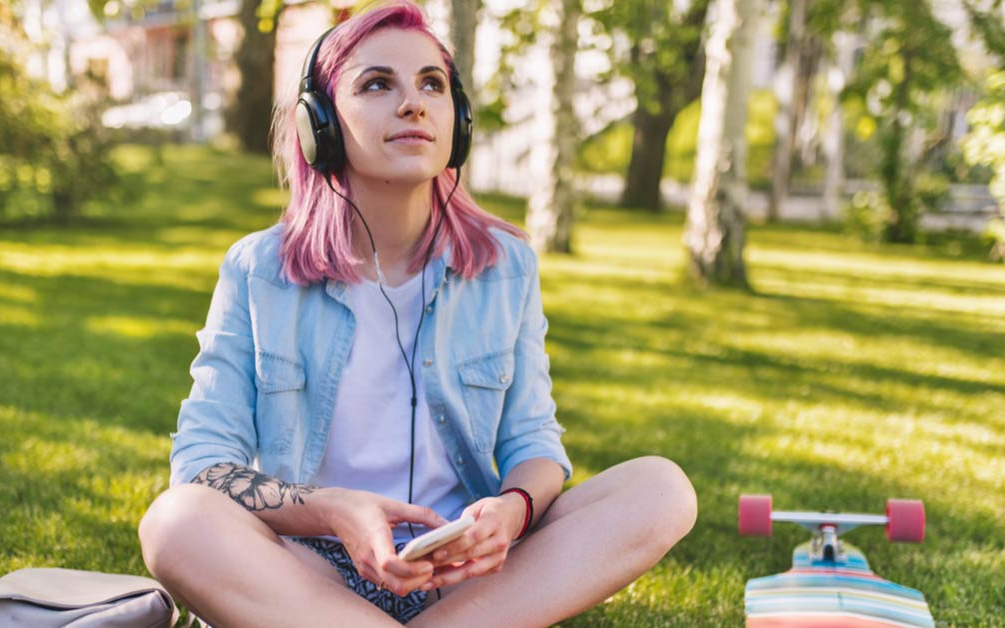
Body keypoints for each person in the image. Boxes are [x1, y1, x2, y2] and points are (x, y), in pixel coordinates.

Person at [138, 1, 697, 625]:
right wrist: (331, 509)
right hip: (310, 570)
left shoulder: (506, 267)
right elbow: (202, 466)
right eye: (378, 84)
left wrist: (511, 511)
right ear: (316, 125)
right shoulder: (257, 270)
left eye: (432, 84)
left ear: (456, 122)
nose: (414, 103)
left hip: (464, 579)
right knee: (174, 521)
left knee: (661, 489)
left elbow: (534, 444)